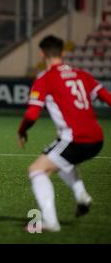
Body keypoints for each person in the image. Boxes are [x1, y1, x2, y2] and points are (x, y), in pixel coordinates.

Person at [17, 35, 111, 231]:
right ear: (63, 53)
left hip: (76, 139)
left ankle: (50, 222)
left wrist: (22, 131)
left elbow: (32, 114)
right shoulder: (82, 75)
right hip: (97, 138)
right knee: (58, 159)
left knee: (37, 170)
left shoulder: (45, 79)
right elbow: (107, 98)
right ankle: (81, 196)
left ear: (42, 54)